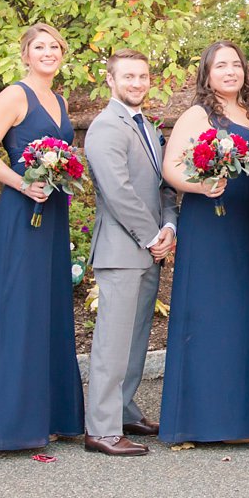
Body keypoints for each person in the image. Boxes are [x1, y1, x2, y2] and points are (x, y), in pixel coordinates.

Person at [0, 23, 85, 450]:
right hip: (22, 210)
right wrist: (20, 183)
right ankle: (8, 423)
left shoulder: (60, 99)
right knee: (19, 307)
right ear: (26, 54)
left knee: (49, 307)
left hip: (53, 211)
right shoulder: (15, 95)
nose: (49, 52)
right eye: (40, 47)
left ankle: (51, 414)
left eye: (55, 46)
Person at [158, 40, 249, 445]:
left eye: (236, 65)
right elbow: (170, 168)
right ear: (207, 73)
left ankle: (243, 420)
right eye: (220, 65)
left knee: (246, 318)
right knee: (209, 317)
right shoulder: (198, 115)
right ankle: (199, 421)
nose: (230, 71)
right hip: (212, 224)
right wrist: (201, 185)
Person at [82, 49, 175, 456]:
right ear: (111, 80)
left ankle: (123, 408)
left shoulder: (148, 127)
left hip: (150, 247)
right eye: (128, 76)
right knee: (113, 341)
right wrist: (152, 235)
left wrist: (170, 226)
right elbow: (118, 191)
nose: (137, 83)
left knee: (136, 338)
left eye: (142, 76)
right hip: (122, 249)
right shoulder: (105, 127)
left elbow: (162, 186)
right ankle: (101, 428)